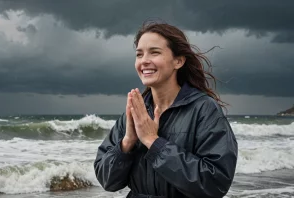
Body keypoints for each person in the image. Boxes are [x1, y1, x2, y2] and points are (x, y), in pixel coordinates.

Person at [93, 21, 238, 198]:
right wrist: (127, 142)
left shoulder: (204, 109)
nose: (144, 61)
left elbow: (215, 183)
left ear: (178, 61)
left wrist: (153, 142)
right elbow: (107, 181)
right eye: (139, 55)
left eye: (154, 52)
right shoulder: (136, 111)